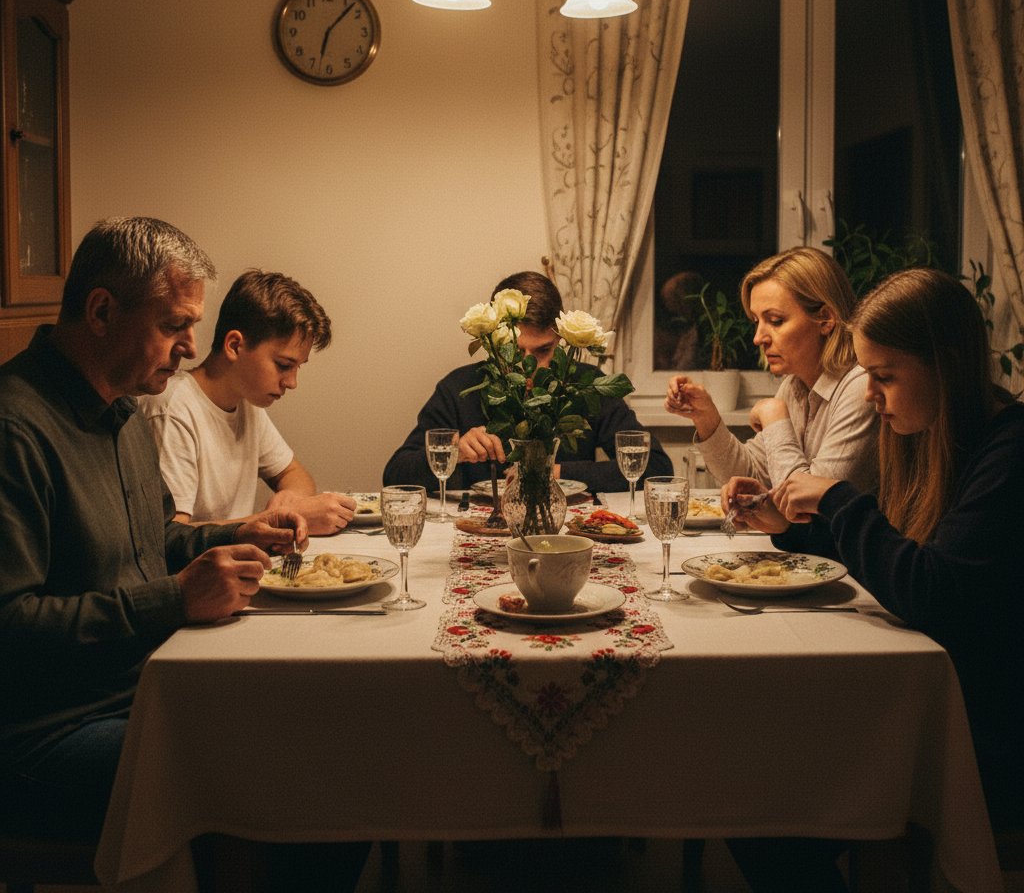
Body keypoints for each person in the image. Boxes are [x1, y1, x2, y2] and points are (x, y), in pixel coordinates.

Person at [0, 217, 308, 843]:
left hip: (145, 680)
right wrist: (174, 598)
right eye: (174, 325)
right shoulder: (17, 428)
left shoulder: (125, 414)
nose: (193, 346)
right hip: (49, 730)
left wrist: (242, 535)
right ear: (102, 311)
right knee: (292, 775)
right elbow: (11, 625)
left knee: (313, 718)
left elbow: (155, 542)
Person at [725, 267, 1024, 833]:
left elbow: (932, 590)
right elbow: (888, 549)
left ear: (946, 366)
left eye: (883, 375)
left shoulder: (1008, 450)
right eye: (866, 374)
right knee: (756, 770)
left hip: (981, 726)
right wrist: (790, 530)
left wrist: (838, 499)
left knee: (758, 803)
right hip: (932, 697)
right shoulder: (928, 435)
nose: (869, 395)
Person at [384, 270, 673, 492]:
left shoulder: (584, 384)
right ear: (494, 339)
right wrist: (452, 452)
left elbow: (658, 467)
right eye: (516, 349)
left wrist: (555, 472)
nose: (529, 365)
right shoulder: (459, 388)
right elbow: (394, 475)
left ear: (561, 339)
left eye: (544, 350)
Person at [141, 269, 355, 535]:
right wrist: (273, 519)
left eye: (298, 367)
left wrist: (290, 499)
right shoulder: (172, 409)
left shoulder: (246, 403)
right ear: (234, 345)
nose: (292, 382)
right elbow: (173, 537)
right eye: (284, 365)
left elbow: (296, 475)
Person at [664, 246, 878, 492]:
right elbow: (750, 475)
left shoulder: (862, 387)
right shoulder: (794, 385)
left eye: (775, 321)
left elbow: (813, 502)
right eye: (757, 321)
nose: (758, 338)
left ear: (826, 319)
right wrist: (706, 417)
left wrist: (774, 418)